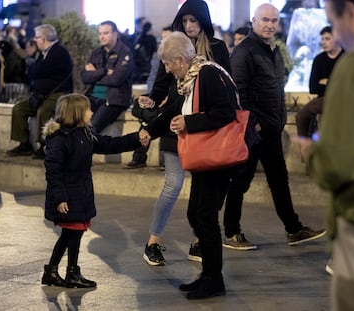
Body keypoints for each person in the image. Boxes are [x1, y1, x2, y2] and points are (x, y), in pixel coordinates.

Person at [222, 3, 325, 251]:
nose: (270, 24)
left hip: (271, 128)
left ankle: (293, 229)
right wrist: (254, 124)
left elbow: (275, 87)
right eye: (265, 20)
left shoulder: (272, 49)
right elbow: (239, 92)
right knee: (241, 181)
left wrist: (274, 121)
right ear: (254, 22)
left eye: (274, 20)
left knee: (279, 179)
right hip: (254, 131)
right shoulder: (244, 51)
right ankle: (231, 233)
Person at [144, 31, 237, 300]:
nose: (167, 69)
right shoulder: (189, 80)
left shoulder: (207, 74)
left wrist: (189, 123)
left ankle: (214, 279)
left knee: (205, 216)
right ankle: (208, 275)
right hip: (204, 158)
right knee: (195, 214)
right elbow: (174, 107)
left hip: (218, 159)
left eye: (168, 63)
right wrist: (149, 131)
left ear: (181, 59)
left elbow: (226, 112)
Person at [293, 0, 354, 309]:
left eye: (332, 23)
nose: (334, 32)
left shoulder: (353, 66)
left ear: (349, 12)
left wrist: (315, 153)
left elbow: (339, 164)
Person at [41, 93, 149, 288]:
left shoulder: (85, 134)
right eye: (88, 109)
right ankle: (71, 272)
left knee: (71, 234)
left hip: (81, 193)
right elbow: (53, 172)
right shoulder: (60, 139)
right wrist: (60, 198)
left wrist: (135, 138)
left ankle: (52, 271)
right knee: (73, 233)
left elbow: (110, 144)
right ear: (77, 113)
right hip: (68, 195)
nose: (92, 112)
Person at [6, 24, 73, 160]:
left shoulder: (59, 52)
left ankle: (45, 145)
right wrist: (35, 71)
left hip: (58, 94)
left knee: (44, 111)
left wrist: (35, 71)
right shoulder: (43, 54)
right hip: (41, 94)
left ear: (44, 38)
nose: (35, 41)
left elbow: (37, 71)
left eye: (37, 38)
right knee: (19, 109)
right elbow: (32, 71)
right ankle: (24, 144)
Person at [125, 26, 172, 169]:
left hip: (172, 99)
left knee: (159, 118)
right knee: (147, 113)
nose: (163, 41)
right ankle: (141, 158)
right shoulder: (157, 56)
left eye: (167, 38)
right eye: (162, 38)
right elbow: (153, 79)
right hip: (157, 97)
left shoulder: (178, 57)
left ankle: (149, 159)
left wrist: (167, 98)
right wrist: (154, 98)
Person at [295, 26, 344, 160]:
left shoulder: (346, 58)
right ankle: (304, 149)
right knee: (301, 115)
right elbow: (313, 88)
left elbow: (346, 87)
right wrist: (333, 83)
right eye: (322, 39)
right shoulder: (319, 59)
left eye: (327, 39)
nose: (324, 42)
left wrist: (326, 82)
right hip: (323, 99)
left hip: (344, 100)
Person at [80, 20, 133, 134]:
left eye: (106, 33)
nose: (102, 37)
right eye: (100, 33)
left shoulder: (124, 52)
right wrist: (104, 71)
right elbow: (84, 77)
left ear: (115, 34)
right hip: (92, 97)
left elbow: (116, 79)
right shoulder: (97, 52)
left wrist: (95, 73)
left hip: (113, 100)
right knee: (72, 124)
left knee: (90, 129)